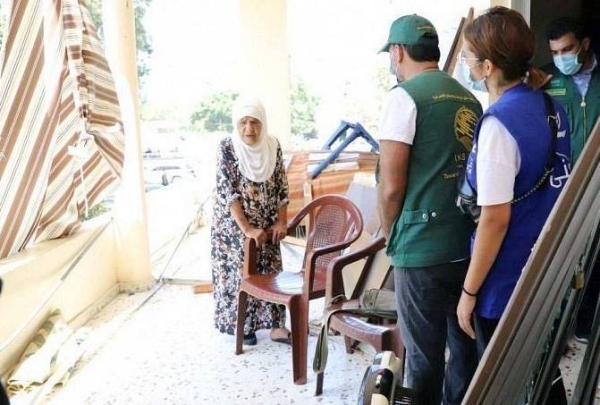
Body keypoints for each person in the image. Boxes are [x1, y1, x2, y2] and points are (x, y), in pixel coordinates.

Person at [455, 7, 571, 403]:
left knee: (507, 379)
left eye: (470, 57)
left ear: (487, 66)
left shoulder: (499, 124)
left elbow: (494, 219)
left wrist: (469, 292)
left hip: (503, 280)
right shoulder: (550, 108)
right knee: (540, 369)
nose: (467, 64)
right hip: (544, 266)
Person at [376, 14, 482, 405]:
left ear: (399, 51)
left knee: (423, 356)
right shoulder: (468, 97)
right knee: (464, 347)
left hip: (420, 249)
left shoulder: (404, 97)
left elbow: (390, 187)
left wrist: (392, 236)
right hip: (466, 246)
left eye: (390, 53)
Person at [211, 97, 291, 346]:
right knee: (241, 273)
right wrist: (247, 228)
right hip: (234, 228)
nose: (249, 129)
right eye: (243, 122)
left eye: (255, 122)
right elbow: (228, 191)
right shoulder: (227, 147)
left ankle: (277, 326)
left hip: (267, 226)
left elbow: (281, 187)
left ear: (263, 123)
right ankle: (243, 328)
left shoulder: (272, 145)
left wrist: (281, 222)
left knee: (271, 272)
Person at [543, 16, 600, 345]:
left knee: (595, 255)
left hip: (597, 186)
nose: (562, 57)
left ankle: (585, 323)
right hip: (560, 185)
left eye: (568, 49)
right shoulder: (544, 78)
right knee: (562, 255)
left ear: (585, 45)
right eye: (555, 52)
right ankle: (553, 328)